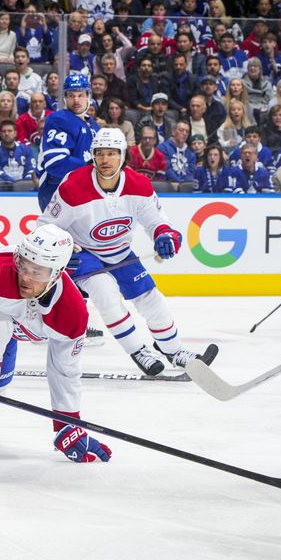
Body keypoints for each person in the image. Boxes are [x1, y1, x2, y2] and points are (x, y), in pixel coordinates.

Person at [0, 224, 111, 466]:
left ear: (57, 273)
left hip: (5, 313)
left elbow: (65, 371)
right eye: (23, 265)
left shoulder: (71, 314)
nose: (25, 276)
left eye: (37, 272)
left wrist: (67, 424)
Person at [39, 127, 215, 375]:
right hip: (86, 254)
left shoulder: (139, 185)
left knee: (150, 298)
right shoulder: (72, 187)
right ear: (92, 155)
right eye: (100, 153)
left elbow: (158, 222)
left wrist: (165, 236)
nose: (105, 160)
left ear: (122, 156)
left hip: (121, 251)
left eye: (112, 153)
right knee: (106, 295)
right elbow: (45, 227)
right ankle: (137, 349)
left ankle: (174, 350)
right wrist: (64, 253)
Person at [36, 71, 99, 209]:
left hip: (84, 193)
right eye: (71, 96)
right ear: (65, 98)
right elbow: (56, 163)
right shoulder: (59, 119)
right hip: (57, 191)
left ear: (88, 96)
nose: (76, 100)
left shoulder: (94, 125)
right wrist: (92, 168)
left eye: (80, 95)